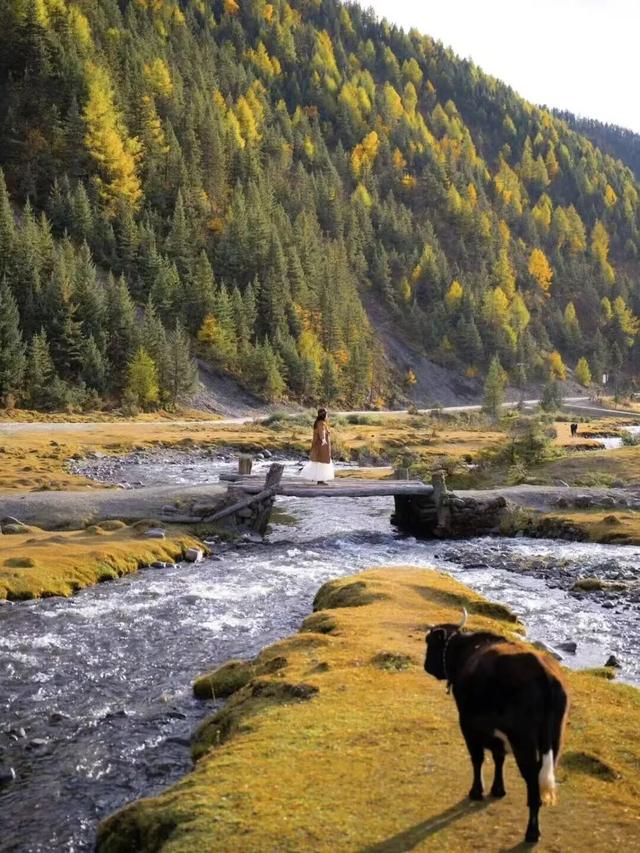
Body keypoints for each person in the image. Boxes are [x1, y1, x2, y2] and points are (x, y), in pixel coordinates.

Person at [300, 408, 335, 484]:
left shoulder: (320, 422)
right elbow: (321, 432)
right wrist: (323, 440)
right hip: (321, 446)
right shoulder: (321, 423)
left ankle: (320, 479)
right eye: (327, 414)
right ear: (324, 415)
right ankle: (320, 480)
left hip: (322, 445)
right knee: (321, 462)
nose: (327, 416)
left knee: (320, 462)